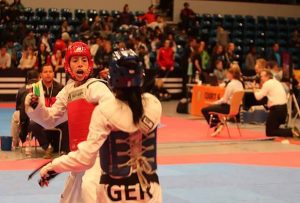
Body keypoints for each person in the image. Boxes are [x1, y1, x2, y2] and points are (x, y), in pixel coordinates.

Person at [39, 49, 163, 203]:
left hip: (115, 191)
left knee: (88, 186)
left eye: (84, 60)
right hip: (150, 189)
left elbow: (85, 158)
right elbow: (133, 107)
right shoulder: (154, 105)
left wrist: (54, 166)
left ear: (111, 79)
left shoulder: (105, 111)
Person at [25, 42, 114, 202]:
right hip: (79, 157)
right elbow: (50, 119)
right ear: (68, 66)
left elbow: (112, 109)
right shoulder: (68, 90)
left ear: (89, 64)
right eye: (75, 60)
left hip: (98, 157)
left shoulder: (95, 87)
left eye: (84, 60)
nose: (80, 63)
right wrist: (36, 105)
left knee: (90, 190)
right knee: (68, 199)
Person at [28, 64, 68, 158]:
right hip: (42, 118)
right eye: (45, 72)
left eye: (50, 72)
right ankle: (47, 148)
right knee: (33, 124)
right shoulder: (36, 88)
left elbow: (64, 106)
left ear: (53, 74)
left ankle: (64, 150)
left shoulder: (60, 88)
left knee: (67, 121)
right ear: (41, 74)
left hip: (56, 117)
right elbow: (34, 106)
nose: (48, 74)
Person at [253, 69, 300, 138]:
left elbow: (258, 97)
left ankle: (290, 131)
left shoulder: (267, 83)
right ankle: (290, 131)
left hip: (276, 110)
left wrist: (254, 88)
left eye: (262, 76)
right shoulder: (276, 82)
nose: (260, 78)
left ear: (267, 76)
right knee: (273, 129)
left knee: (270, 132)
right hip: (283, 109)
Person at [201, 64, 244, 137]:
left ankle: (218, 124)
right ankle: (219, 124)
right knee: (214, 107)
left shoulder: (231, 84)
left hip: (227, 108)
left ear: (231, 74)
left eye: (228, 73)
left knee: (204, 110)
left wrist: (213, 103)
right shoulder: (240, 83)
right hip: (236, 109)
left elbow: (224, 100)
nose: (227, 74)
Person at [10, 69, 39, 149]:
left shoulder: (21, 90)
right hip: (37, 117)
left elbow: (17, 107)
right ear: (38, 78)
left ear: (27, 78)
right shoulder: (39, 87)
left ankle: (15, 143)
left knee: (15, 115)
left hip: (24, 118)